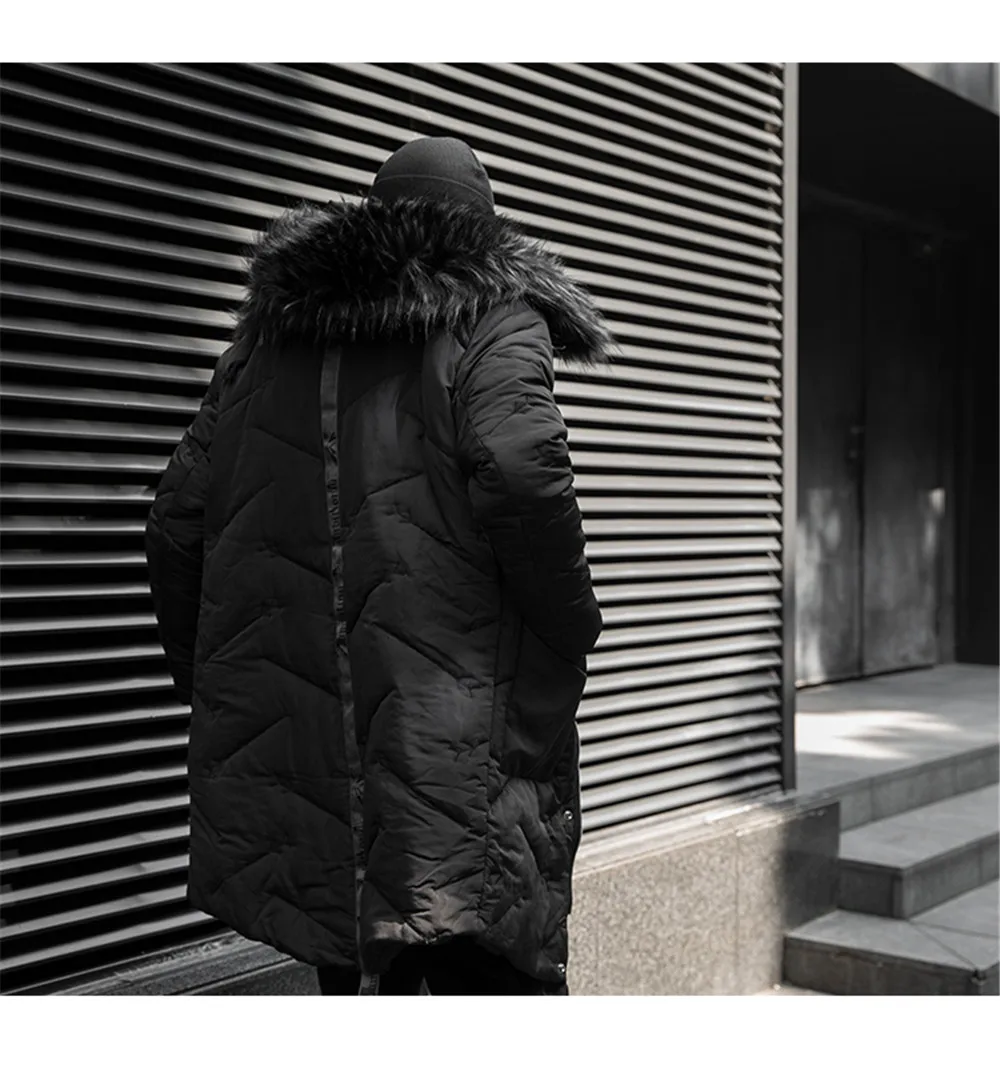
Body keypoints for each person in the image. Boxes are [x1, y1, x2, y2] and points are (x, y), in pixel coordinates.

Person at [145, 136, 614, 996]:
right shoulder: (495, 320)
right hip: (458, 729)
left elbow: (177, 519)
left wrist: (212, 676)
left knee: (358, 961)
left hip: (307, 732)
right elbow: (523, 477)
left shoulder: (267, 341)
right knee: (490, 957)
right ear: (483, 232)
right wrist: (570, 631)